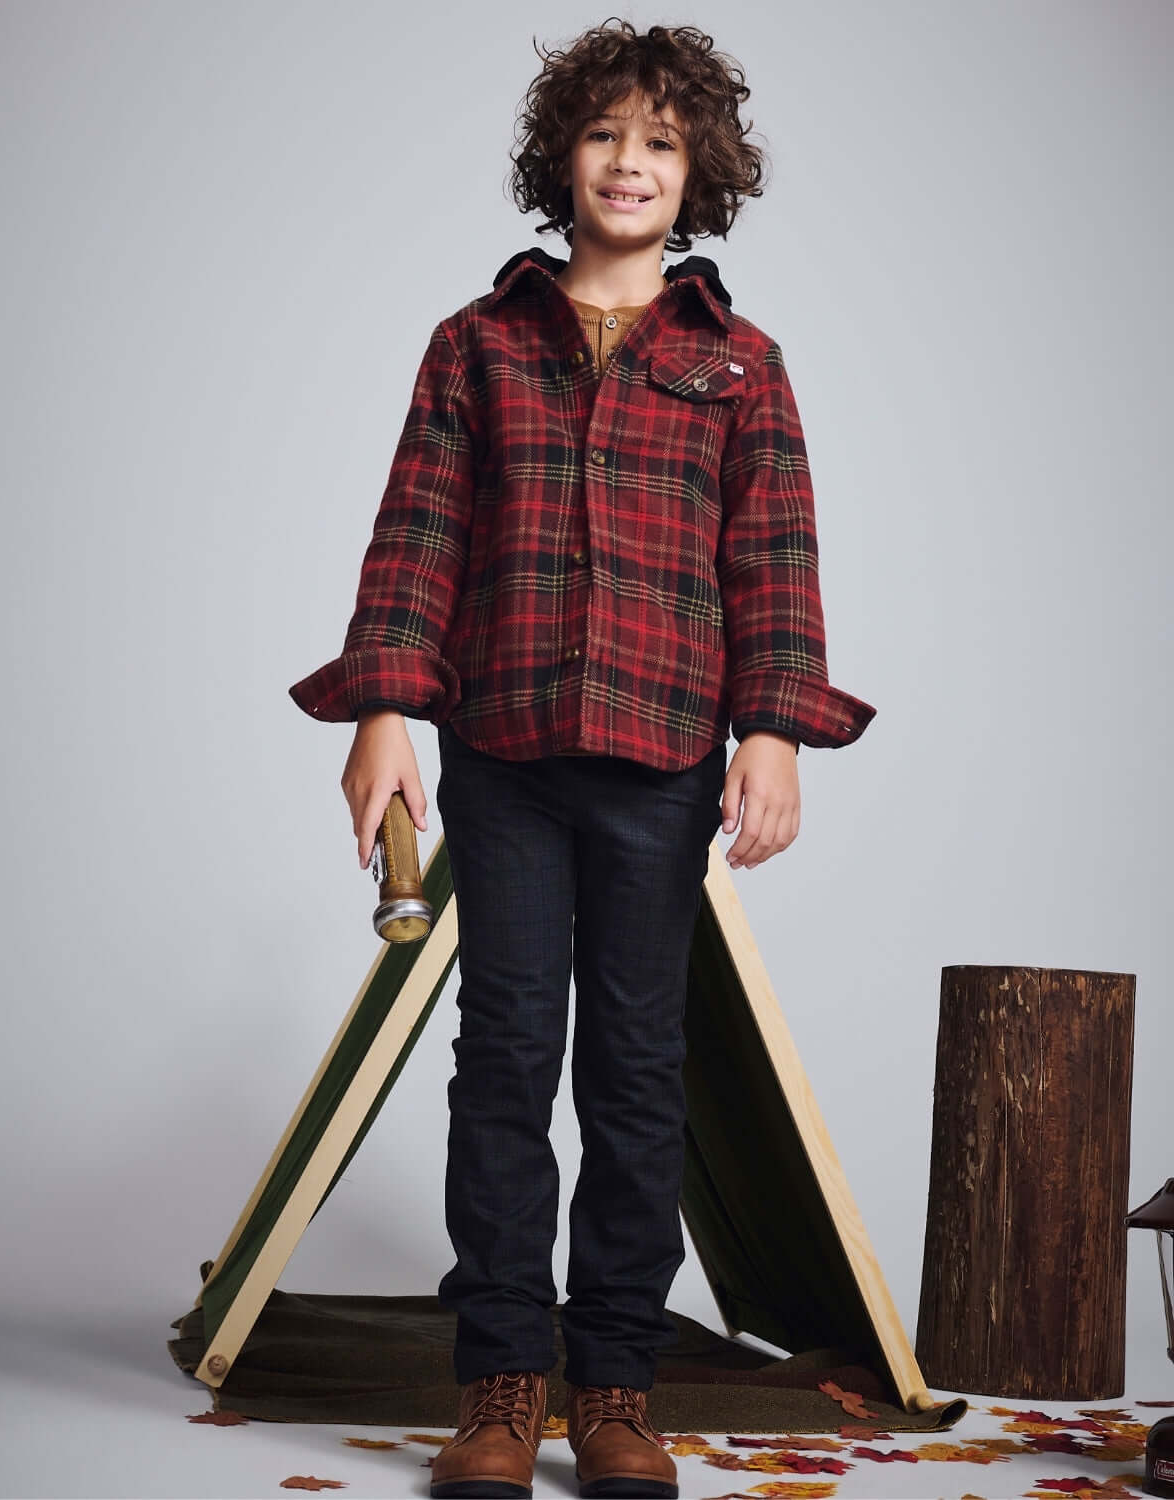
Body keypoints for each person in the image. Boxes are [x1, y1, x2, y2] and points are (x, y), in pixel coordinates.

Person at [288, 18, 876, 1499]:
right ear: (563, 153)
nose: (631, 162)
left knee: (635, 1078)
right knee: (502, 1068)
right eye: (608, 133)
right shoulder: (474, 345)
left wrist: (775, 732)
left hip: (666, 760)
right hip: (503, 753)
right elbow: (417, 534)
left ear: (700, 176)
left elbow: (778, 560)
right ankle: (498, 1383)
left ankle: (615, 1387)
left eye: (663, 143)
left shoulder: (740, 365)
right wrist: (384, 711)